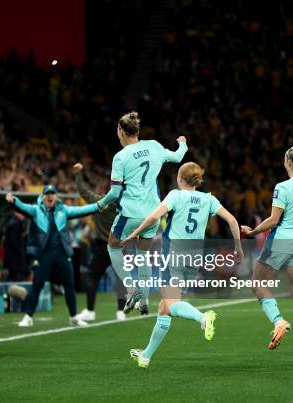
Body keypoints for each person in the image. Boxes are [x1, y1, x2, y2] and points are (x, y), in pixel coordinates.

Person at [122, 162, 243, 368]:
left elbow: (154, 216)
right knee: (164, 308)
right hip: (194, 257)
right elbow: (232, 220)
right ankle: (146, 355)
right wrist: (238, 247)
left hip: (174, 255)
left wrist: (134, 233)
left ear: (179, 179)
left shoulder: (176, 195)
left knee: (170, 303)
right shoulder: (208, 199)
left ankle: (202, 317)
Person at [96, 112, 188, 315]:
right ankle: (144, 301)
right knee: (143, 255)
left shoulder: (120, 157)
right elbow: (178, 156)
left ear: (121, 131)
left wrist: (101, 204)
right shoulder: (154, 146)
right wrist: (183, 143)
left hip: (130, 213)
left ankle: (132, 290)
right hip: (153, 214)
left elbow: (115, 192)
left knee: (113, 246)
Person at [241, 141, 293, 365]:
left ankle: (278, 322)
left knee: (258, 283)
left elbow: (274, 220)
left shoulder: (282, 187)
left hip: (280, 241)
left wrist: (254, 230)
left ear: (288, 161)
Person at [6, 185, 100, 327]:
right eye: (47, 194)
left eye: (52, 194)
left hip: (62, 254)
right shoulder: (36, 210)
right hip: (45, 254)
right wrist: (14, 200)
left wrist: (100, 205)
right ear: (43, 197)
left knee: (69, 285)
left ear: (56, 197)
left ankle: (74, 317)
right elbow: (23, 207)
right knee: (37, 284)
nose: (50, 196)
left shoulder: (63, 210)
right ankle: (28, 316)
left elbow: (83, 210)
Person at [72, 163, 127, 321]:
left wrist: (78, 174)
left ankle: (90, 310)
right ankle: (120, 312)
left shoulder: (99, 202)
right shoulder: (124, 207)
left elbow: (83, 192)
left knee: (93, 276)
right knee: (121, 279)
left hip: (102, 245)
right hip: (119, 246)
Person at [4, 212, 28, 281]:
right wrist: (22, 253)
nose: (24, 216)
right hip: (16, 258)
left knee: (12, 276)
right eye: (22, 214)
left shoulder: (11, 223)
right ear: (16, 213)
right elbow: (16, 242)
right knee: (17, 277)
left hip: (10, 257)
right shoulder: (16, 224)